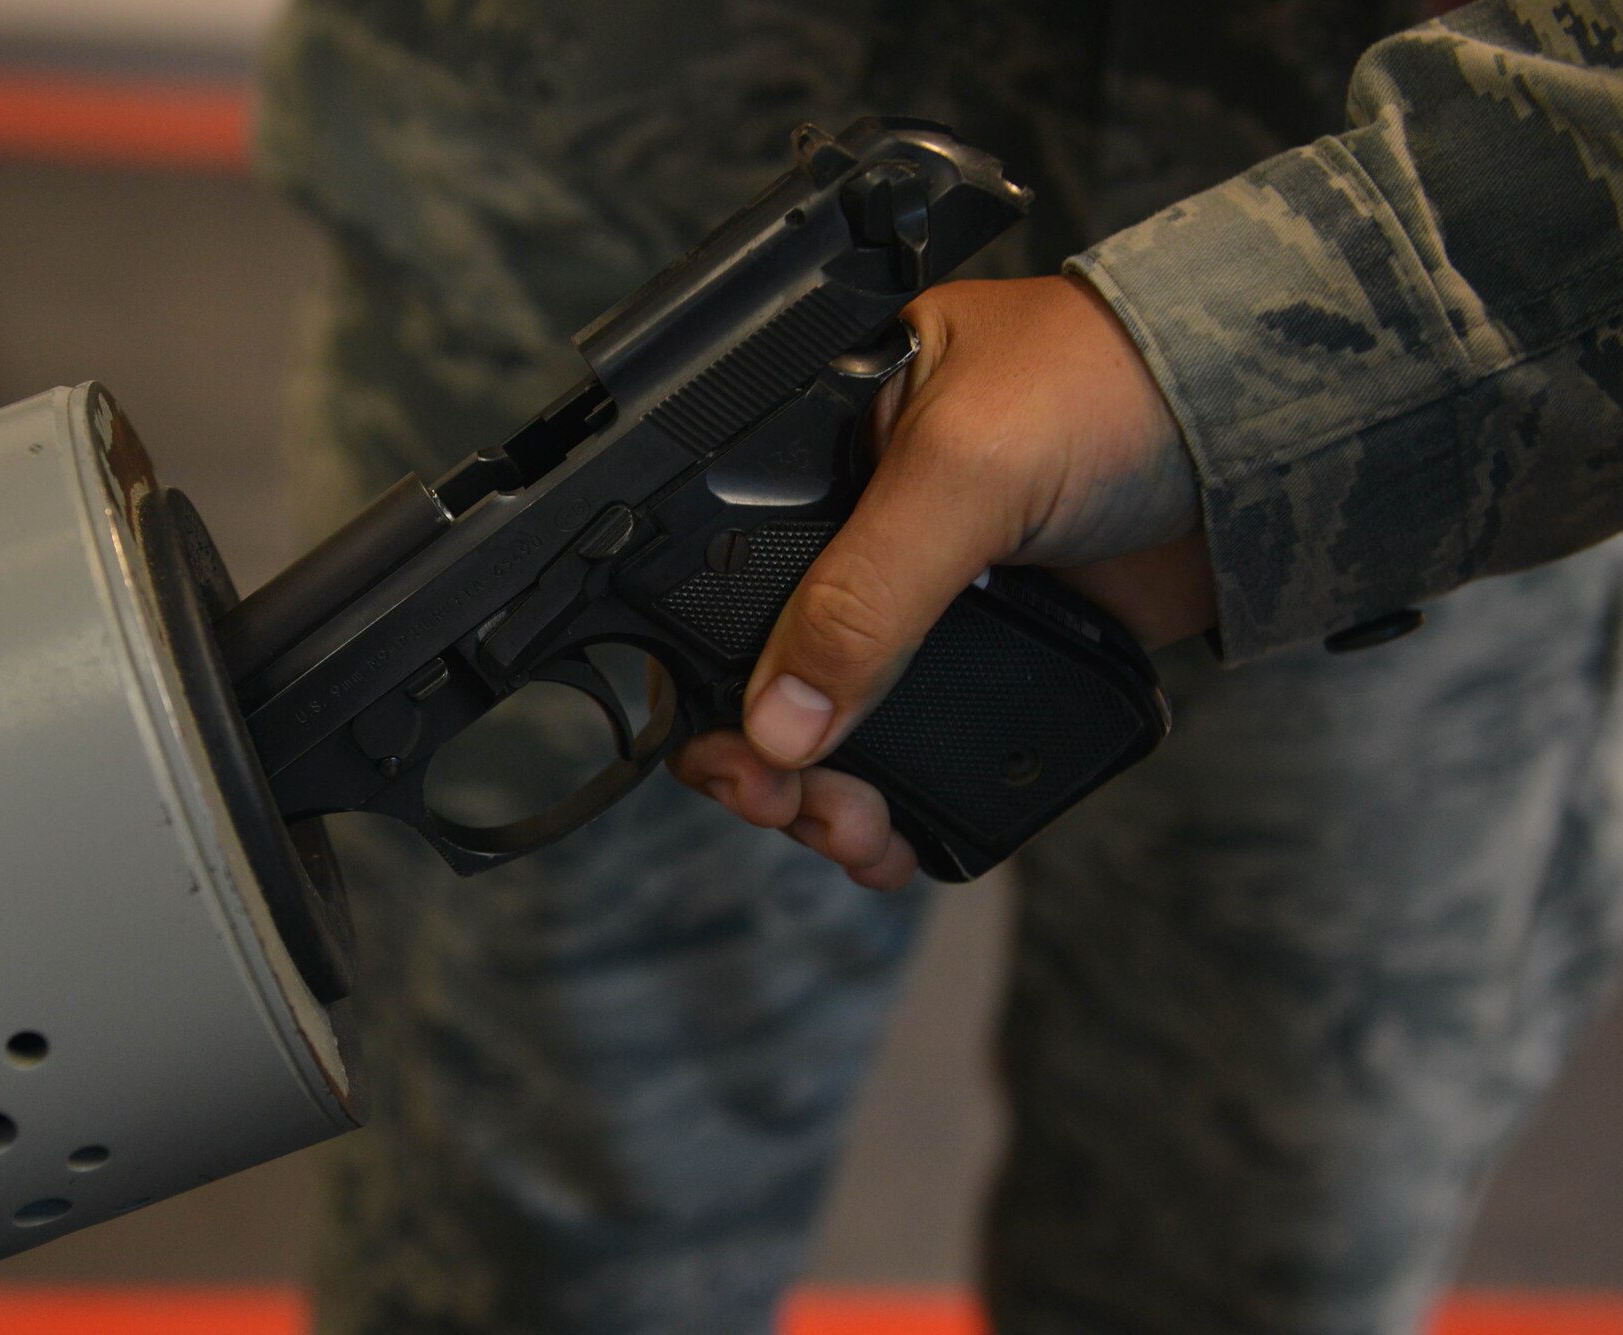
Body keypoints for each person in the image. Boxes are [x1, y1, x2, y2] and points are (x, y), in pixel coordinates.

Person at [258, 2, 1623, 1331]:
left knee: (1250, 1245)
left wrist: (1272, 355)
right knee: (525, 1242)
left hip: (1402, 301)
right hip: (589, 189)